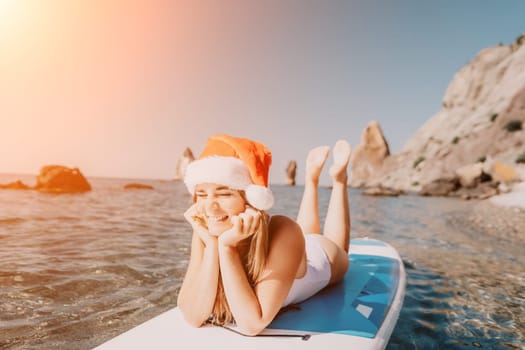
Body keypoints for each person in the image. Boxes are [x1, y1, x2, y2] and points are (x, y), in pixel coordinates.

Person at [177, 134, 351, 336]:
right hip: (292, 253)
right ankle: (311, 178)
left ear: (251, 201)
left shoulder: (284, 229)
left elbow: (252, 324)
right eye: (201, 194)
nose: (210, 206)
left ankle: (339, 181)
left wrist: (227, 248)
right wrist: (213, 245)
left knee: (329, 243)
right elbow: (192, 315)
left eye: (224, 194)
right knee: (304, 233)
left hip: (322, 257)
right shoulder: (207, 231)